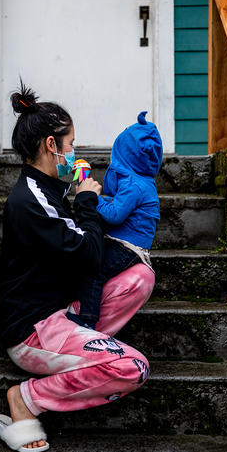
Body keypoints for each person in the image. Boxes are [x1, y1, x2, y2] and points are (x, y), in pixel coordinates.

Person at [0, 84, 154, 452]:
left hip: (61, 312)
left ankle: (86, 351)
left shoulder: (49, 189)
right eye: (71, 143)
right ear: (52, 145)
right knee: (133, 368)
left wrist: (83, 199)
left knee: (140, 277)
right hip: (33, 330)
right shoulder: (31, 201)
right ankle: (26, 398)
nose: (74, 152)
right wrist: (87, 202)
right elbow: (90, 254)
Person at [66, 111, 161, 330]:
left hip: (127, 247)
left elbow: (115, 214)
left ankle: (87, 320)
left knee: (94, 270)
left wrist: (91, 197)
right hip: (123, 241)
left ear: (124, 154)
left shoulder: (134, 185)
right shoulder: (139, 180)